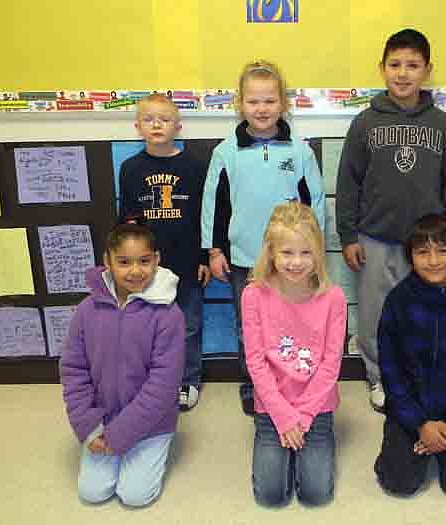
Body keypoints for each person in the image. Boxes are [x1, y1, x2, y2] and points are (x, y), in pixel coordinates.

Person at [336, 28, 446, 411]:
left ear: (428, 70)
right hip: (375, 238)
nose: (403, 73)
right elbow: (348, 182)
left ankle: (420, 376)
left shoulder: (443, 126)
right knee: (376, 315)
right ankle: (379, 378)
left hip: (428, 245)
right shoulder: (365, 123)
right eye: (395, 64)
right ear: (382, 69)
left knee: (426, 314)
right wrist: (348, 235)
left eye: (413, 65)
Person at [202, 60, 325, 415]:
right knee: (250, 326)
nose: (261, 108)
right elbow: (215, 205)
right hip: (243, 257)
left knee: (293, 321)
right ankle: (253, 384)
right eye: (253, 101)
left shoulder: (299, 150)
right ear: (239, 103)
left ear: (283, 104)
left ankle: (293, 378)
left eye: (270, 101)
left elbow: (315, 202)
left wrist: (313, 251)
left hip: (292, 259)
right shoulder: (225, 152)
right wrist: (214, 250)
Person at [60, 223, 185, 507]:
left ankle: (151, 446)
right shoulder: (86, 311)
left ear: (157, 259)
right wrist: (90, 428)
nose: (135, 270)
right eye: (124, 262)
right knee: (92, 493)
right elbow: (73, 372)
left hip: (152, 424)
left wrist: (120, 435)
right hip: (101, 420)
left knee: (135, 496)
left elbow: (163, 386)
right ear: (107, 262)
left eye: (144, 261)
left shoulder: (169, 315)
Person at [374, 214, 446, 499]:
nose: (434, 260)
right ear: (411, 257)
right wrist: (420, 424)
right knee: (398, 483)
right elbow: (390, 371)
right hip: (409, 414)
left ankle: (440, 446)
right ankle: (414, 446)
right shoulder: (397, 302)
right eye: (423, 252)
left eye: (443, 250)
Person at [241, 202, 346, 506]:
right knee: (270, 496)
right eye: (287, 252)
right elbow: (256, 362)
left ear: (318, 254)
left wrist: (304, 416)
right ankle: (285, 446)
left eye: (306, 252)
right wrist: (284, 417)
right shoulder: (253, 294)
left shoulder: (334, 298)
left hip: (317, 406)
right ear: (271, 253)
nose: (296, 262)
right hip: (272, 406)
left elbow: (330, 365)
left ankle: (307, 446)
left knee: (316, 495)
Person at [119, 93, 209, 411]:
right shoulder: (130, 169)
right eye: (148, 119)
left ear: (178, 127)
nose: (156, 124)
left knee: (189, 325)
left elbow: (205, 217)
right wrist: (129, 263)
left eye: (165, 119)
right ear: (137, 127)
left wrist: (203, 258)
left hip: (186, 262)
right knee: (147, 325)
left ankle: (188, 380)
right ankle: (155, 380)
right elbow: (128, 220)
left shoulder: (194, 167)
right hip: (147, 266)